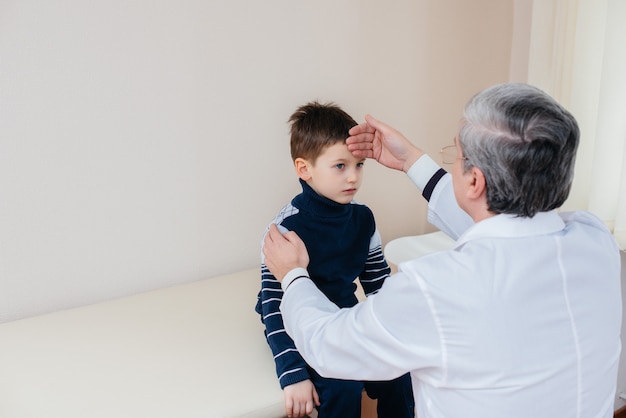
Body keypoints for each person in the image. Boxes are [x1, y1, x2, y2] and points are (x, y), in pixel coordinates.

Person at [262, 83, 622, 418]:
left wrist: (292, 274)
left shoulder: (435, 287)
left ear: (475, 180)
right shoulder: (594, 240)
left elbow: (329, 345)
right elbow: (513, 228)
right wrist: (410, 161)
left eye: (457, 155)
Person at [255, 101, 415, 418]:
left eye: (358, 165)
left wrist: (395, 335)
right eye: (340, 166)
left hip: (342, 315)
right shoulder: (286, 229)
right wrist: (293, 374)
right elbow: (274, 306)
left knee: (402, 372)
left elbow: (378, 284)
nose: (352, 176)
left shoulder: (363, 219)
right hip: (299, 321)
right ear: (305, 169)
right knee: (344, 386)